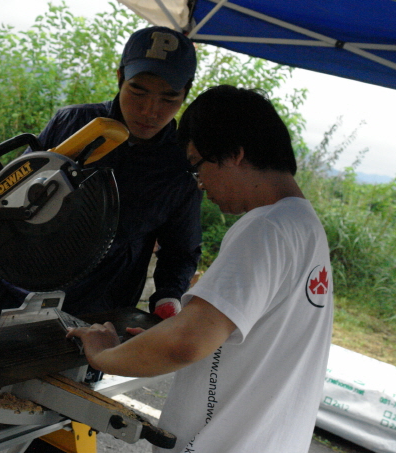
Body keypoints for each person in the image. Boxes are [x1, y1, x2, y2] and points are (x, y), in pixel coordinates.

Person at [67, 85, 334, 453]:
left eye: (197, 165)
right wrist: (167, 333)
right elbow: (227, 331)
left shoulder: (265, 228)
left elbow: (187, 343)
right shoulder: (306, 227)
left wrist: (103, 355)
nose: (200, 183)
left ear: (235, 154)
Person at [0, 26, 203, 322]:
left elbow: (181, 250)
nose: (149, 111)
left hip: (102, 313)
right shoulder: (72, 123)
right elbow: (9, 193)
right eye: (138, 91)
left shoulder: (180, 163)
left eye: (168, 99)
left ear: (186, 93)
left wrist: (169, 297)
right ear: (120, 77)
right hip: (20, 291)